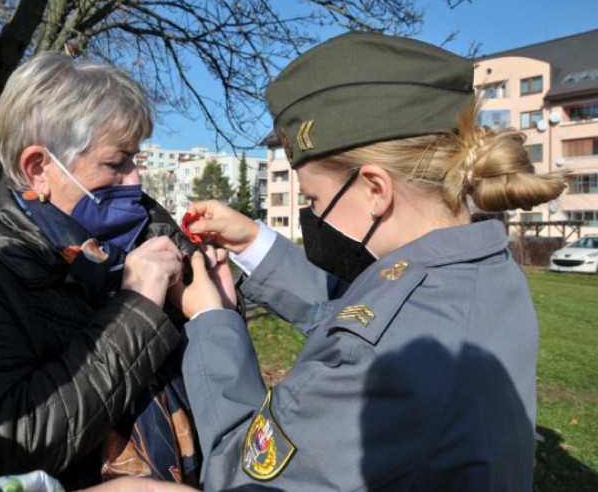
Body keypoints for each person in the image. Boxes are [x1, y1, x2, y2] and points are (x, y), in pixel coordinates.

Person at [170, 32, 567, 491]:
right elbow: (360, 313)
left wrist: (211, 318)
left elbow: (242, 471)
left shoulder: (387, 363)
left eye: (315, 199)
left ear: (375, 190)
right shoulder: (480, 268)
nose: (313, 215)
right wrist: (252, 241)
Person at [0, 52, 201, 490]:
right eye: (115, 163)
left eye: (135, 160)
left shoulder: (143, 239)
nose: (135, 180)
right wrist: (136, 306)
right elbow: (7, 446)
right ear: (38, 169)